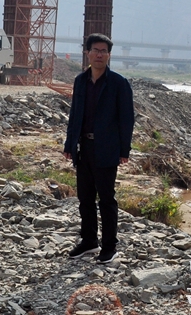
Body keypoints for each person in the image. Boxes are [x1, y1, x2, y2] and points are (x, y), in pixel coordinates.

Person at [63, 33, 135, 264]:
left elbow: (127, 119)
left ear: (109, 55)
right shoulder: (80, 81)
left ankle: (109, 247)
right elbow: (75, 115)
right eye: (95, 50)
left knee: (106, 198)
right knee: (85, 198)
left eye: (104, 51)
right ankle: (89, 241)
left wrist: (124, 150)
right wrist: (69, 144)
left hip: (107, 148)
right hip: (84, 147)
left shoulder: (118, 83)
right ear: (87, 53)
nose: (99, 55)